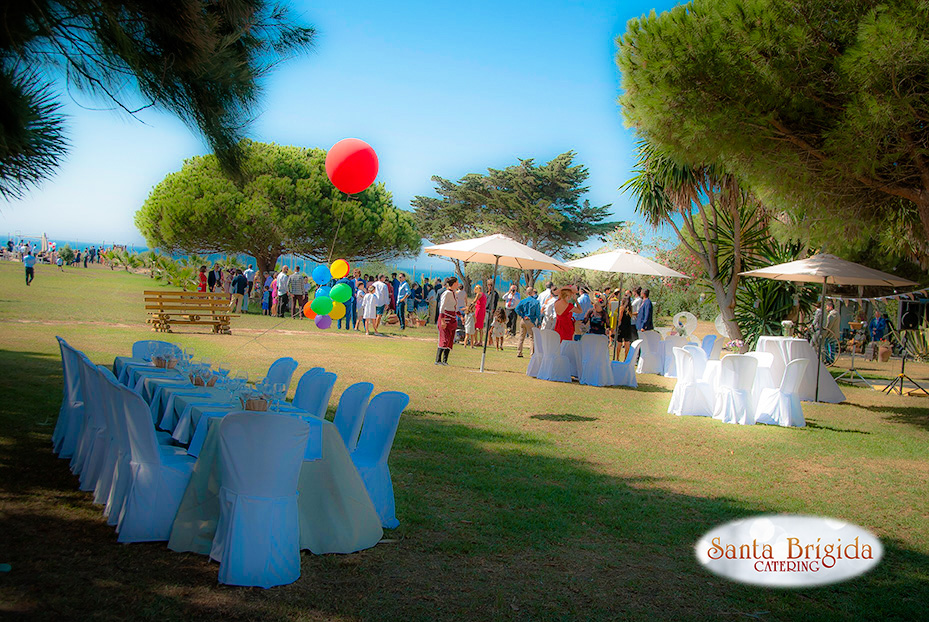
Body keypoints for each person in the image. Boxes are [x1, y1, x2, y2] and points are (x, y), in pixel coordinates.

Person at [436, 276, 459, 365]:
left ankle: (445, 360)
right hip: (446, 318)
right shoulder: (446, 293)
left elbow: (454, 307)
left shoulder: (454, 293)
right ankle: (438, 360)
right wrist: (442, 320)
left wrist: (460, 315)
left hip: (452, 318)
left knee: (450, 339)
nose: (458, 284)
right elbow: (442, 307)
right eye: (457, 283)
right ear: (453, 284)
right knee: (444, 338)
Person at [515, 287, 541, 358]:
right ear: (533, 292)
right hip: (531, 320)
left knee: (521, 336)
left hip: (523, 320)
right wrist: (539, 323)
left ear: (527, 293)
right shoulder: (536, 302)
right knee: (531, 337)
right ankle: (532, 354)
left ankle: (519, 352)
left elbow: (517, 309)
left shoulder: (523, 301)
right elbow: (538, 314)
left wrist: (522, 315)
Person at [616, 296, 633, 360]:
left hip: (621, 327)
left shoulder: (621, 308)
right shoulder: (630, 309)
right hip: (628, 327)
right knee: (627, 343)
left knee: (619, 343)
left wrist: (617, 327)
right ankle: (626, 358)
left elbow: (620, 319)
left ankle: (617, 357)